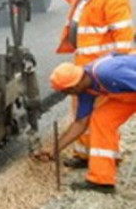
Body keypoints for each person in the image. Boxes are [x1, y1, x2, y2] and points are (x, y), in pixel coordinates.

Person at [52, 0, 133, 168]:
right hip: (86, 64)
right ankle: (85, 155)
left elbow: (124, 36)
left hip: (102, 69)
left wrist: (115, 67)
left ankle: (106, 156)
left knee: (100, 114)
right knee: (81, 110)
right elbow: (76, 2)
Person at [32, 55, 136, 193]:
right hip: (128, 94)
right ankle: (102, 180)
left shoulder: (107, 73)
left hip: (130, 89)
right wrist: (54, 150)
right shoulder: (86, 89)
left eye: (66, 91)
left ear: (74, 86)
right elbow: (80, 123)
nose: (68, 95)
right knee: (101, 120)